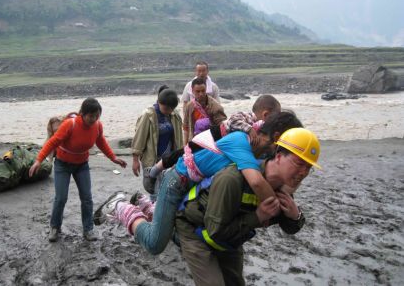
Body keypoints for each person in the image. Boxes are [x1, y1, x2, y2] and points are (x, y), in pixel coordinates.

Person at [94, 112, 299, 256]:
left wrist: (293, 212)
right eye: (293, 147)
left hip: (197, 187)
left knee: (183, 236)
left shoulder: (264, 152)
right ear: (277, 137)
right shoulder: (241, 140)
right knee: (155, 243)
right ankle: (120, 206)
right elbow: (256, 182)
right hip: (176, 182)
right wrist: (275, 211)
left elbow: (281, 185)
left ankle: (146, 204)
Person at [175, 127, 321, 286]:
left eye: (308, 167)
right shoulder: (232, 179)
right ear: (279, 157)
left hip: (229, 236)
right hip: (194, 228)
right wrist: (257, 217)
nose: (303, 172)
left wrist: (295, 215)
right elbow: (215, 232)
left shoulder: (281, 189)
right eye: (299, 163)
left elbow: (290, 228)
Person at [29, 97, 127, 242]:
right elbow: (53, 142)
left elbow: (101, 142)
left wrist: (113, 158)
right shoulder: (70, 124)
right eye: (91, 116)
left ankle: (88, 229)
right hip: (62, 165)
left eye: (97, 116)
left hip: (82, 165)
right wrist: (38, 160)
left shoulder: (97, 126)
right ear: (82, 113)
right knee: (61, 198)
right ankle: (55, 227)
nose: (94, 119)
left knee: (87, 198)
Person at [143, 94, 282, 191]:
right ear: (265, 114)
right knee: (184, 152)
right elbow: (233, 120)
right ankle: (154, 171)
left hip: (219, 146)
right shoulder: (249, 118)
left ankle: (163, 171)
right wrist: (249, 129)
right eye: (275, 116)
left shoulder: (262, 129)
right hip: (214, 135)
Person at [131, 86, 183, 198]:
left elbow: (179, 136)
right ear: (159, 102)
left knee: (167, 188)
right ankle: (154, 211)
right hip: (153, 158)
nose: (168, 112)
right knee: (153, 189)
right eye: (165, 109)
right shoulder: (148, 115)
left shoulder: (174, 115)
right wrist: (135, 159)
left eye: (171, 109)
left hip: (169, 159)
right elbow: (140, 136)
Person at [183, 77, 226, 144]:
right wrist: (185, 146)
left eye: (203, 91)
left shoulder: (216, 107)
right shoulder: (189, 106)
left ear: (206, 89)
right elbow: (186, 127)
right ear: (192, 90)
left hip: (212, 141)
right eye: (198, 91)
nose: (201, 94)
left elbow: (222, 127)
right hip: (194, 141)